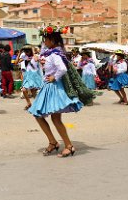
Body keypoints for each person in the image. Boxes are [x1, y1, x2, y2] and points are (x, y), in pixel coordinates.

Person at [28, 25, 92, 158]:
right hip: (48, 87)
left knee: (52, 118)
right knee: (41, 115)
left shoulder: (55, 54)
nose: (44, 42)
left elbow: (62, 69)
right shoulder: (49, 53)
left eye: (45, 39)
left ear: (52, 40)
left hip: (54, 87)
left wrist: (54, 77)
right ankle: (54, 142)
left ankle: (67, 145)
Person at [20, 45, 43, 110]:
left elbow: (36, 59)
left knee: (33, 92)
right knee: (24, 90)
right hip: (27, 76)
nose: (26, 53)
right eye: (25, 51)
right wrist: (19, 53)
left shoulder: (36, 56)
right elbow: (17, 62)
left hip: (35, 76)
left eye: (27, 51)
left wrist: (33, 51)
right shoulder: (25, 57)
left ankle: (38, 104)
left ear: (30, 51)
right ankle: (29, 103)